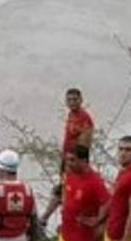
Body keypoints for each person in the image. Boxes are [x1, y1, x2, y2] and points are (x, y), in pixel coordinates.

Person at [54, 144, 110, 241]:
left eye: (72, 160)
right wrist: (64, 208)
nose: (68, 163)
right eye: (67, 160)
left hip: (81, 236)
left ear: (84, 161)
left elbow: (107, 202)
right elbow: (65, 190)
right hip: (67, 231)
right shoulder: (70, 174)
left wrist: (98, 220)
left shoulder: (95, 181)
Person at [40, 88, 96, 229]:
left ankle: (64, 221)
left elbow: (85, 145)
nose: (72, 102)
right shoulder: (71, 115)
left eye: (75, 99)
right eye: (69, 100)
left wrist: (74, 163)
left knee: (70, 191)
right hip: (66, 159)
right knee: (62, 189)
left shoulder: (84, 118)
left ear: (81, 100)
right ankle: (45, 219)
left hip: (75, 162)